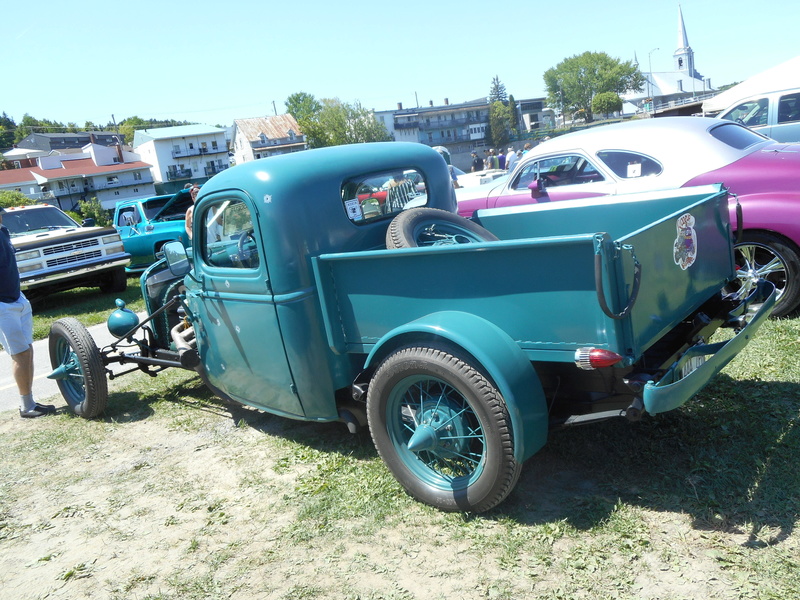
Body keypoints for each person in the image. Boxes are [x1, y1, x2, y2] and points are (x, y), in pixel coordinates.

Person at [0, 207, 56, 418]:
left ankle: (29, 402)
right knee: (20, 353)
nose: (1, 216)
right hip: (2, 306)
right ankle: (26, 407)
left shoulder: (3, 231)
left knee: (28, 350)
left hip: (18, 298)